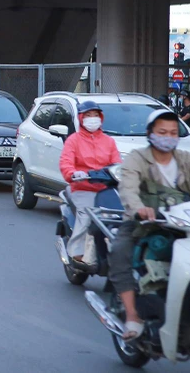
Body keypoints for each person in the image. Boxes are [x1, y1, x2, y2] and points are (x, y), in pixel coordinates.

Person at [108, 109, 190, 340]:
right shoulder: (137, 158)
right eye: (162, 132)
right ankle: (133, 315)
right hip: (143, 223)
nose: (168, 137)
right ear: (150, 134)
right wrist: (138, 209)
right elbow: (128, 189)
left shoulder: (188, 159)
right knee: (119, 253)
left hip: (185, 225)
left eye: (173, 133)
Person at [58, 100, 121, 264]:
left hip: (106, 189)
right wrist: (73, 173)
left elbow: (117, 164)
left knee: (122, 217)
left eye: (95, 115)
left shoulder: (109, 141)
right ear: (81, 118)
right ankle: (77, 252)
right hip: (82, 187)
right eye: (88, 115)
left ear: (101, 118)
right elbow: (65, 163)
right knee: (87, 216)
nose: (92, 119)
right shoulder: (74, 140)